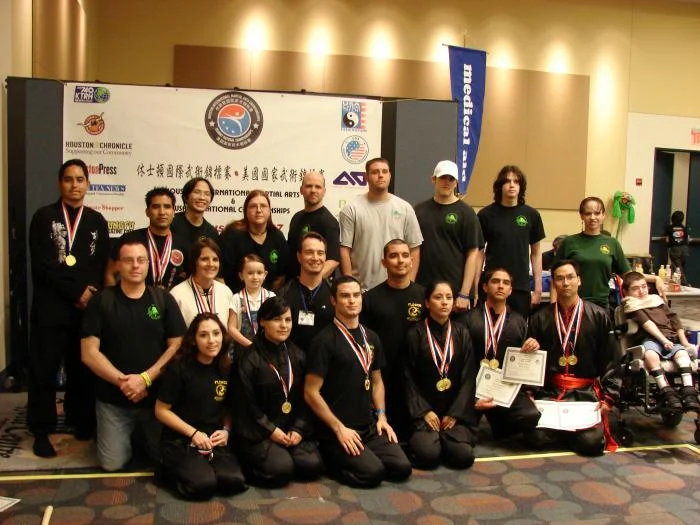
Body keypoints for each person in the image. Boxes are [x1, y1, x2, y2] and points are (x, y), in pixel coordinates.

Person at [28, 159, 110, 457]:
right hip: (52, 307)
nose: (74, 185)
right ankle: (41, 428)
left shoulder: (96, 221)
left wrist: (90, 292)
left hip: (85, 309)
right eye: (68, 179)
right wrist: (76, 292)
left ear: (88, 184)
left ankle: (80, 419)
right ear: (59, 183)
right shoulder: (44, 217)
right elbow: (43, 265)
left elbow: (100, 263)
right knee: (43, 370)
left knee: (82, 368)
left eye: (80, 179)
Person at [81, 240, 187, 471]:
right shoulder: (102, 300)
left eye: (141, 260)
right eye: (128, 260)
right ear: (118, 265)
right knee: (112, 464)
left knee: (163, 458)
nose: (135, 266)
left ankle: (140, 438)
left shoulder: (162, 299)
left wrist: (145, 379)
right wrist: (125, 382)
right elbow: (89, 353)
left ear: (148, 264)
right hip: (113, 400)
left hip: (156, 402)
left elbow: (177, 346)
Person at [304, 276, 412, 487]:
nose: (352, 300)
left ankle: (363, 455)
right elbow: (310, 392)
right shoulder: (324, 341)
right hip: (337, 430)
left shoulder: (371, 337)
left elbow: (377, 381)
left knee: (402, 468)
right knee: (373, 473)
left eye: (356, 295)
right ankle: (330, 460)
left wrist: (381, 416)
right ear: (334, 301)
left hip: (369, 427)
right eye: (345, 296)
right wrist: (338, 429)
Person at [526, 260, 617, 456]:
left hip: (584, 392)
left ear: (579, 280)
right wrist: (530, 394)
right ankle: (568, 432)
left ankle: (566, 432)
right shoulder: (539, 318)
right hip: (551, 392)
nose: (565, 282)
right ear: (554, 284)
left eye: (570, 277)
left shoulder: (599, 316)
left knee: (592, 445)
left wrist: (608, 397)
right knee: (535, 439)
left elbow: (611, 359)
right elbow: (531, 365)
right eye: (559, 278)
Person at [233, 297, 323, 487]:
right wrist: (271, 430)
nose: (283, 326)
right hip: (260, 432)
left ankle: (285, 452)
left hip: (290, 429)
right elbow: (246, 405)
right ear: (263, 322)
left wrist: (298, 429)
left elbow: (306, 398)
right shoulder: (248, 358)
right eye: (277, 320)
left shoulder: (297, 355)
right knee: (281, 470)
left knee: (312, 465)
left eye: (288, 320)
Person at [155, 313, 247, 499]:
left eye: (216, 333)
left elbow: (228, 407)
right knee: (203, 485)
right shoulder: (179, 368)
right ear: (194, 340)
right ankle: (166, 469)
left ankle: (203, 468)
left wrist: (227, 430)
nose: (212, 340)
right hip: (180, 439)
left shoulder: (226, 367)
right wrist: (194, 434)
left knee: (234, 482)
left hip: (212, 439)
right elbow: (161, 411)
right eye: (204, 335)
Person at [403, 281, 478, 470]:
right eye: (438, 297)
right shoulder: (415, 334)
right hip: (424, 413)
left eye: (449, 297)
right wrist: (423, 411)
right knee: (428, 456)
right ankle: (434, 441)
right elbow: (406, 377)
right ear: (427, 303)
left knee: (464, 458)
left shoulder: (462, 333)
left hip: (453, 412)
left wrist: (455, 413)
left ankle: (445, 440)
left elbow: (469, 376)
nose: (444, 302)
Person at [460, 268, 541, 442]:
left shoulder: (519, 321)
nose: (500, 286)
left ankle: (500, 423)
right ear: (484, 287)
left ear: (511, 290)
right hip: (472, 388)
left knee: (531, 415)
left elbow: (524, 363)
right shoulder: (467, 319)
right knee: (465, 438)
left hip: (504, 387)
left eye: (505, 283)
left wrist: (532, 346)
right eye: (495, 281)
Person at [553, 197, 665, 309]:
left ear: (603, 216)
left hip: (600, 305)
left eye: (597, 213)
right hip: (571, 303)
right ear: (581, 216)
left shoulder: (612, 243)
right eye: (588, 213)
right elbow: (554, 277)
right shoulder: (569, 242)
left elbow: (628, 275)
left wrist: (655, 279)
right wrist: (553, 306)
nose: (592, 217)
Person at [361, 239, 424, 437]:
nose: (400, 260)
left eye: (405, 255)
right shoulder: (370, 299)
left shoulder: (424, 296)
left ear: (412, 261)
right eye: (393, 256)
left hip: (415, 378)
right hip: (382, 376)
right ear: (384, 262)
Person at [339, 157, 423, 291]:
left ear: (389, 175)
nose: (380, 175)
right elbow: (344, 250)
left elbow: (414, 248)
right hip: (362, 290)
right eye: (375, 172)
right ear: (366, 177)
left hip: (398, 288)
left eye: (384, 171)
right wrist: (351, 287)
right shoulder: (351, 209)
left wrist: (409, 285)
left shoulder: (405, 208)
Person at [621, 271, 699, 410]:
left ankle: (689, 392)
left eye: (644, 286)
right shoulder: (632, 305)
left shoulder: (657, 301)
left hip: (670, 338)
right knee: (651, 355)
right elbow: (648, 324)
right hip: (650, 339)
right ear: (626, 292)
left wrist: (684, 342)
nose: (641, 291)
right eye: (635, 288)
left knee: (682, 354)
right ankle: (666, 391)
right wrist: (663, 341)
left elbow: (675, 320)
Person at [414, 160, 483, 311]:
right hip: (424, 291)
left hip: (456, 295)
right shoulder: (419, 211)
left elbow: (473, 254)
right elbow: (413, 251)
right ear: (434, 179)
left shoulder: (467, 213)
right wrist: (412, 289)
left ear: (456, 182)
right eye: (443, 178)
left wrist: (464, 293)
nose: (447, 182)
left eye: (451, 179)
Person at [477, 165, 545, 317]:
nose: (512, 185)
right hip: (492, 285)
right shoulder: (485, 215)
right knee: (489, 331)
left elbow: (535, 253)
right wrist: (475, 286)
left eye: (516, 181)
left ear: (521, 186)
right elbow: (479, 254)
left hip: (520, 287)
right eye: (507, 181)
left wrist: (538, 289)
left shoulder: (532, 215)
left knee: (517, 333)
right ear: (499, 186)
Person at [107, 187, 189, 290]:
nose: (162, 212)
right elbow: (110, 272)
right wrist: (112, 303)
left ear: (173, 212)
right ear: (147, 212)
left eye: (167, 207)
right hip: (134, 303)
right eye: (156, 207)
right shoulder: (130, 240)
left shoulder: (184, 245)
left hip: (170, 303)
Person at [219, 189, 290, 292]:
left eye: (263, 206)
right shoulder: (232, 234)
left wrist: (267, 299)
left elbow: (282, 275)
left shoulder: (277, 236)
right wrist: (230, 300)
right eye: (253, 206)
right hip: (235, 300)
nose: (258, 210)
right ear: (245, 211)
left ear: (269, 210)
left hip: (267, 301)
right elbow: (219, 274)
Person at [279, 232, 335, 352]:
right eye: (309, 252)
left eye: (320, 253)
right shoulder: (283, 295)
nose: (315, 258)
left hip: (326, 366)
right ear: (299, 256)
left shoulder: (336, 294)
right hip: (292, 365)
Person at [169, 238, 236, 330]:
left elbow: (233, 331)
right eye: (204, 259)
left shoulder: (226, 292)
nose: (211, 264)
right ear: (194, 262)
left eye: (215, 259)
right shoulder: (177, 295)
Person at [287, 171, 340, 279]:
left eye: (318, 187)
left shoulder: (329, 222)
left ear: (324, 191)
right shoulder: (296, 218)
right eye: (309, 186)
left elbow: (333, 261)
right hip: (293, 286)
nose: (313, 190)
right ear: (301, 190)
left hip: (315, 288)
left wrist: (311, 281)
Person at [229, 254, 276, 350]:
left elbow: (275, 323)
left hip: (267, 349)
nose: (255, 277)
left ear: (265, 275)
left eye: (259, 273)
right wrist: (250, 346)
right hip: (244, 349)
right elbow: (231, 328)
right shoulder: (237, 298)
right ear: (241, 275)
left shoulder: (271, 297)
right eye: (250, 273)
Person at [170, 177, 220, 256]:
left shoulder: (212, 233)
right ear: (186, 197)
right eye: (197, 192)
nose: (202, 197)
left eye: (207, 194)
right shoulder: (171, 223)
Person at [665, 210, 690, 286]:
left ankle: (684, 284)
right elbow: (688, 239)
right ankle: (676, 283)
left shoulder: (670, 228)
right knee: (680, 267)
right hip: (684, 249)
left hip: (675, 249)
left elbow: (667, 240)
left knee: (677, 268)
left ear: (673, 218)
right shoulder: (684, 228)